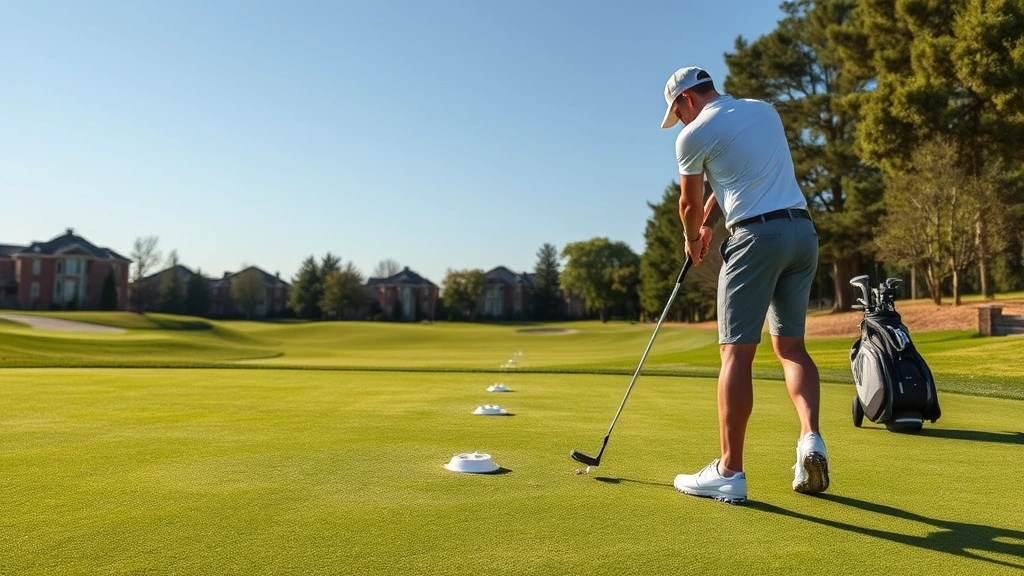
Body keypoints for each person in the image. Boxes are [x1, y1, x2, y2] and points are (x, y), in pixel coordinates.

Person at [660, 66, 828, 504]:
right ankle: (811, 440)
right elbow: (740, 180)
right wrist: (712, 223)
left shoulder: (692, 135)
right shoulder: (762, 110)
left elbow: (688, 203)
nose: (679, 123)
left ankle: (730, 471)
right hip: (801, 233)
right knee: (791, 348)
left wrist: (693, 237)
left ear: (687, 101)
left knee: (736, 352)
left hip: (757, 240)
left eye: (677, 113)